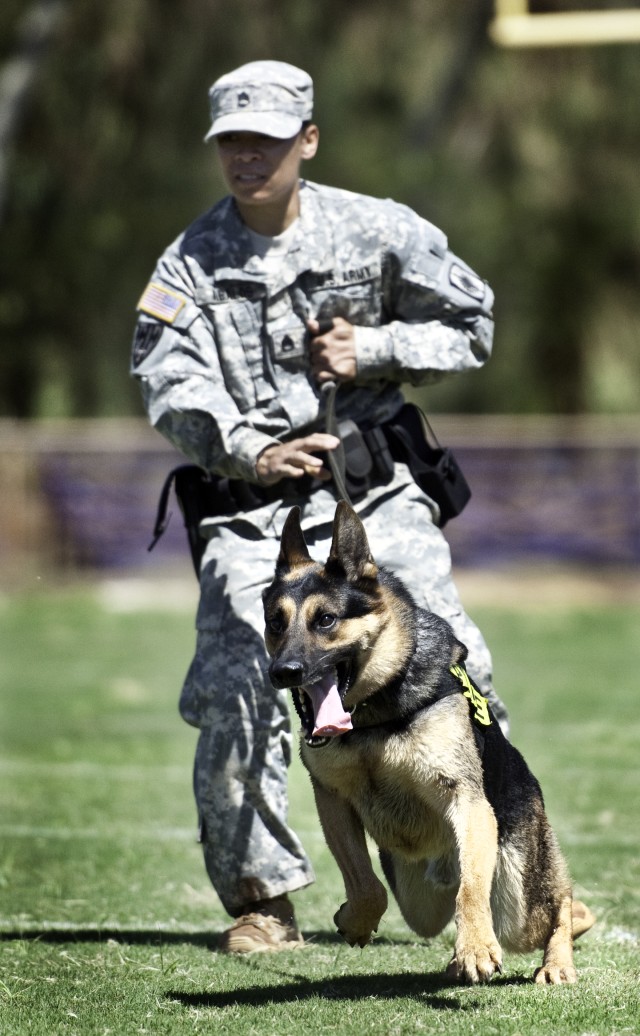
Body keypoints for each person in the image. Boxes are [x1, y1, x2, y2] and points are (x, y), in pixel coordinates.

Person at [131, 60, 590, 954]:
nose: (246, 155)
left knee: (466, 675)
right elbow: (163, 378)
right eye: (231, 139)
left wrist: (374, 345)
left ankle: (520, 889)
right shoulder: (188, 262)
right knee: (236, 689)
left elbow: (474, 323)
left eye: (266, 139)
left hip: (370, 496)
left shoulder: (382, 230)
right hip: (251, 508)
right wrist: (249, 446)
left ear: (308, 140)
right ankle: (265, 901)